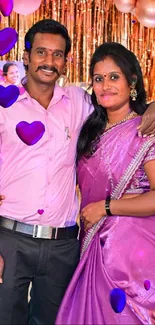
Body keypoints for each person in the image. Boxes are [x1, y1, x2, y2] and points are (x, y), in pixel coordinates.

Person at [0, 20, 154, 325]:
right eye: (41, 52)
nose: (49, 61)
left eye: (58, 55)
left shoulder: (80, 103)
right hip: (10, 239)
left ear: (67, 62)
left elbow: (124, 109)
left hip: (65, 245)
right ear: (26, 56)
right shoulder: (4, 106)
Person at [56, 42, 155, 325]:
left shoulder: (146, 130)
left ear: (131, 81)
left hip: (132, 259)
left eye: (114, 77)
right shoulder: (90, 128)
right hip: (94, 250)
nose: (105, 86)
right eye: (98, 78)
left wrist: (107, 207)